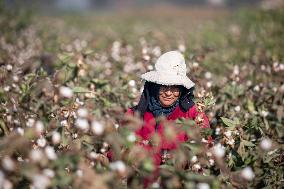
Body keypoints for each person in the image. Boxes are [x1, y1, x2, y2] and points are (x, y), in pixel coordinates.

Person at [125, 51, 211, 187]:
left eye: (174, 88)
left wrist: (184, 159)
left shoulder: (194, 114)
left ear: (182, 90)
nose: (169, 93)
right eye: (164, 86)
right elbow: (119, 150)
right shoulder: (135, 114)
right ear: (154, 86)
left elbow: (205, 147)